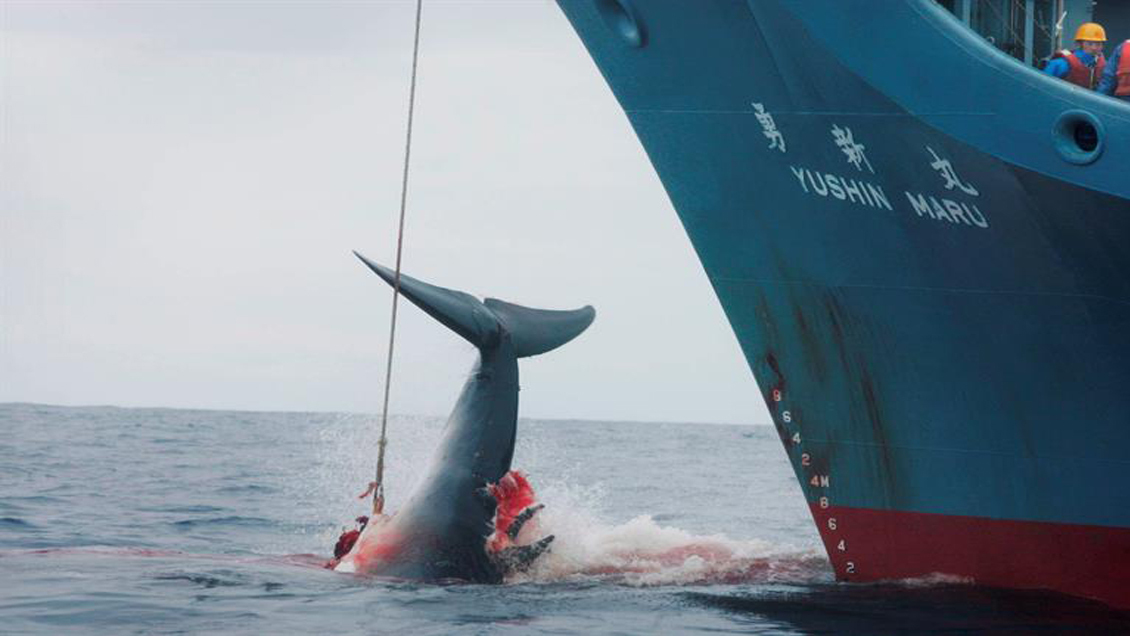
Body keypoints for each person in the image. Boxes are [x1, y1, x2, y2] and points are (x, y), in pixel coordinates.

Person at [1045, 22, 1107, 89]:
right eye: (1090, 43)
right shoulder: (1061, 63)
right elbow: (1043, 86)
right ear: (1079, 44)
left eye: (1098, 44)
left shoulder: (1103, 66)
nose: (1094, 47)